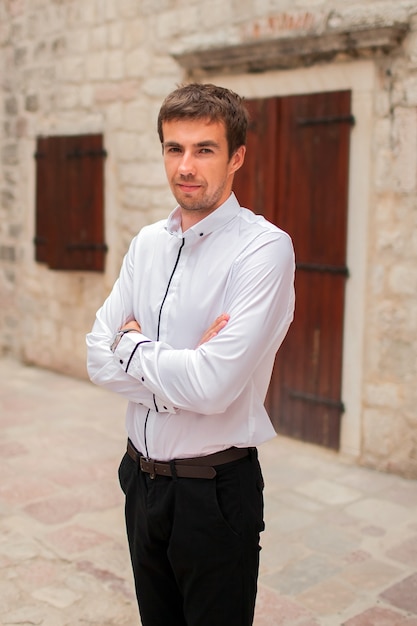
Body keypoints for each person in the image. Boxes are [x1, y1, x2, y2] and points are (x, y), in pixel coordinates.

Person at [86, 83, 295, 626]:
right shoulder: (146, 244)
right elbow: (94, 356)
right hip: (139, 479)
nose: (186, 165)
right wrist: (182, 368)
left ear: (236, 158)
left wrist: (131, 344)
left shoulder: (264, 249)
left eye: (204, 149)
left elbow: (212, 386)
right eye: (174, 148)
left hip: (214, 494)